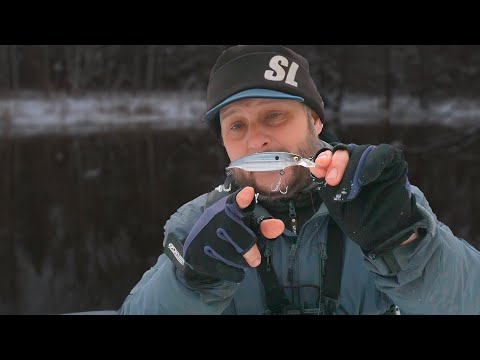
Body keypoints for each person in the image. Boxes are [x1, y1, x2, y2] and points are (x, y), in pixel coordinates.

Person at [118, 45, 480, 315]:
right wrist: (192, 280)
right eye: (236, 125)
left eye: (274, 115)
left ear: (316, 121)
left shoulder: (381, 202)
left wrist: (407, 242)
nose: (255, 140)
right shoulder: (198, 226)